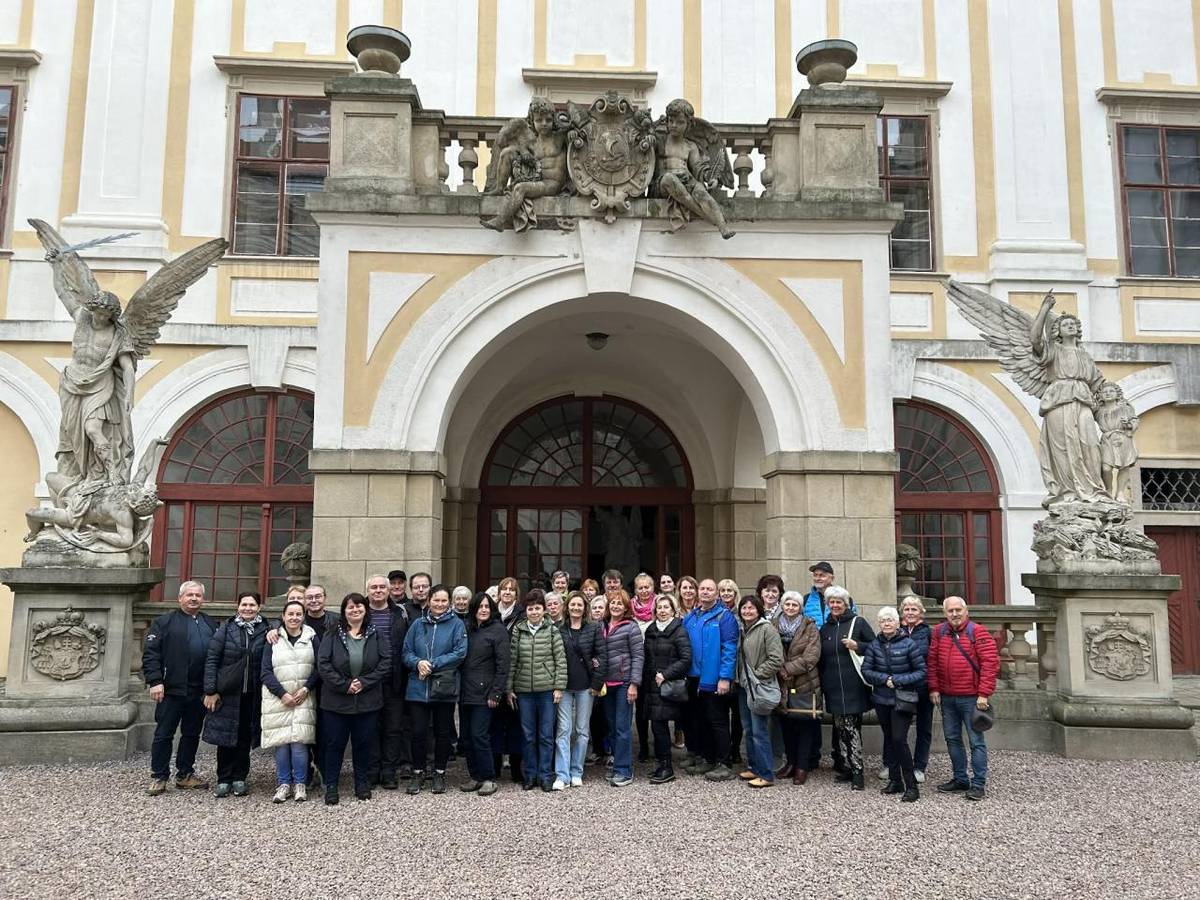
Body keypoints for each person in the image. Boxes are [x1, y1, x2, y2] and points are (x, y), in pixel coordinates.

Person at [143, 581, 217, 796]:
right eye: (189, 595)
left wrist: (212, 688)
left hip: (198, 691)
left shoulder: (210, 624)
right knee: (164, 734)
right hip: (170, 690)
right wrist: (155, 680)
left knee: (191, 734)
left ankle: (185, 774)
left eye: (198, 595)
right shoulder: (164, 622)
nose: (194, 599)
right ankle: (159, 776)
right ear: (180, 598)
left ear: (203, 599)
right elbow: (151, 654)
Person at [317, 592, 391, 804]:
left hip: (367, 701)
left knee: (363, 744)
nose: (355, 610)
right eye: (350, 607)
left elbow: (385, 663)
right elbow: (323, 664)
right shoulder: (331, 633)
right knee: (334, 744)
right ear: (344, 611)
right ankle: (331, 785)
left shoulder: (376, 634)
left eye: (359, 606)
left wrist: (364, 682)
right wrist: (344, 685)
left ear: (365, 610)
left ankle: (362, 783)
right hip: (336, 702)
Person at [928, 596, 999, 801]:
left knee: (976, 741)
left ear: (966, 611)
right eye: (950, 611)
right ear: (945, 613)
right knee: (952, 739)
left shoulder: (977, 632)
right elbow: (932, 662)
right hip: (947, 698)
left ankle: (978, 783)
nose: (955, 614)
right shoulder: (939, 632)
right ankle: (960, 778)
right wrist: (934, 688)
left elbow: (990, 664)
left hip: (972, 698)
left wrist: (984, 693)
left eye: (958, 610)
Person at [202, 591, 269, 798]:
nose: (248, 609)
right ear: (237, 606)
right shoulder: (226, 629)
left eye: (252, 605)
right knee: (225, 738)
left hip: (253, 693)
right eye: (244, 605)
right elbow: (212, 659)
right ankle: (223, 778)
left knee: (244, 737)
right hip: (229, 693)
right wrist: (211, 690)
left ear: (259, 607)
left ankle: (240, 777)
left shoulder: (267, 629)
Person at [403, 584, 468, 795]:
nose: (439, 604)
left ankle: (439, 772)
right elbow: (406, 652)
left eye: (443, 601)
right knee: (418, 732)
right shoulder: (417, 624)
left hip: (444, 687)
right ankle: (418, 771)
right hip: (418, 686)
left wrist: (432, 663)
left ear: (448, 602)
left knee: (442, 733)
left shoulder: (457, 625)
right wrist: (417, 662)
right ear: (429, 601)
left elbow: (460, 652)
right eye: (436, 600)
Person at [861, 607, 926, 802]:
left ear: (898, 623)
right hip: (881, 699)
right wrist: (885, 679)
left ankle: (911, 785)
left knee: (899, 739)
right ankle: (895, 781)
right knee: (889, 739)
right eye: (883, 621)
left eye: (890, 620)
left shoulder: (909, 644)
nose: (886, 623)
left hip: (902, 699)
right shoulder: (874, 645)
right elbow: (866, 670)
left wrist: (897, 680)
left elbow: (921, 672)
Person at [507, 589, 568, 791]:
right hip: (524, 690)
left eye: (537, 608)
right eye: (530, 609)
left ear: (544, 610)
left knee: (546, 735)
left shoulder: (552, 630)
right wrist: (509, 688)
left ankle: (545, 775)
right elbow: (512, 660)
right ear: (526, 610)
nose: (534, 612)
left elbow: (560, 660)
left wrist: (559, 687)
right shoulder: (519, 630)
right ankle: (530, 775)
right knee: (528, 735)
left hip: (547, 690)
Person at [260, 599, 319, 803]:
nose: (294, 618)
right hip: (278, 698)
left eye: (298, 614)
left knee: (299, 742)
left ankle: (300, 784)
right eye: (290, 614)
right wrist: (282, 694)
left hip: (303, 697)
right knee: (282, 743)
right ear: (283, 617)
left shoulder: (312, 637)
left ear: (303, 617)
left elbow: (320, 667)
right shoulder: (273, 639)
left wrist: (305, 688)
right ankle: (283, 783)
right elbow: (265, 671)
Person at [818, 585, 874, 790]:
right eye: (831, 602)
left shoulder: (858, 623)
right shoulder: (825, 628)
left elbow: (876, 647)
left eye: (838, 602)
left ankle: (858, 772)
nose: (834, 605)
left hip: (853, 686)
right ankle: (847, 767)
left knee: (852, 729)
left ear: (846, 604)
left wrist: (858, 646)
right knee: (840, 729)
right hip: (833, 686)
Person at [682, 578, 739, 782]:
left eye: (710, 589)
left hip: (714, 678)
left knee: (718, 721)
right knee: (700, 720)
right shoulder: (692, 616)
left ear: (716, 594)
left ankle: (724, 762)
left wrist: (725, 677)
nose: (705, 592)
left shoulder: (724, 617)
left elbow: (730, 649)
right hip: (693, 677)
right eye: (703, 588)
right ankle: (708, 757)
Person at [554, 591, 607, 789]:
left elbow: (602, 656)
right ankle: (562, 774)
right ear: (567, 607)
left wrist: (596, 684)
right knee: (563, 731)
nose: (576, 608)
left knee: (582, 731)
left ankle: (577, 771)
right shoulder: (559, 629)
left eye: (580, 605)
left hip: (586, 687)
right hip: (564, 687)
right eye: (572, 604)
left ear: (585, 608)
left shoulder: (593, 629)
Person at [460, 592, 510, 796]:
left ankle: (489, 777)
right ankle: (475, 776)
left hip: (485, 693)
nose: (483, 610)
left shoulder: (498, 631)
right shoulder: (467, 629)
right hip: (465, 692)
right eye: (479, 607)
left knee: (479, 735)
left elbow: (503, 665)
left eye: (487, 607)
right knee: (466, 737)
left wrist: (496, 693)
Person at [364, 573, 410, 789]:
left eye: (382, 587)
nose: (379, 590)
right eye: (374, 587)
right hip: (368, 681)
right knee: (371, 727)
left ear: (389, 590)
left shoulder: (400, 613)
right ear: (368, 590)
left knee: (393, 728)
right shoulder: (359, 611)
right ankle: (372, 771)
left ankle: (389, 771)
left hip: (394, 679)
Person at [734, 595, 784, 788]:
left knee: (759, 731)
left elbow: (775, 659)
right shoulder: (741, 630)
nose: (747, 611)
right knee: (748, 729)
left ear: (759, 610)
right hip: (743, 687)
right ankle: (754, 767)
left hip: (757, 686)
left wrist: (756, 675)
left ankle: (766, 773)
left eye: (751, 608)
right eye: (744, 608)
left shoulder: (767, 629)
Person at [641, 594, 692, 784]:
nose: (662, 611)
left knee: (661, 727)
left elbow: (686, 659)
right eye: (659, 608)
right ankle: (661, 764)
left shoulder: (679, 630)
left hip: (668, 685)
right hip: (652, 686)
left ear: (673, 610)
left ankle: (667, 767)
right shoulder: (651, 630)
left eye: (666, 607)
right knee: (656, 727)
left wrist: (666, 674)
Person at [774, 590, 821, 785]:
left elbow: (812, 656)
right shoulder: (773, 625)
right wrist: (780, 670)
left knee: (804, 726)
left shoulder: (809, 626)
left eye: (795, 605)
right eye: (787, 604)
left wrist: (788, 669)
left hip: (805, 682)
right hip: (782, 685)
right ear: (782, 606)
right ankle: (791, 762)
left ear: (800, 607)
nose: (791, 608)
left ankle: (802, 766)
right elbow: (770, 650)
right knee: (787, 726)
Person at [602, 591, 643, 787]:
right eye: (613, 603)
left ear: (626, 608)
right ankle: (617, 764)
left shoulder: (631, 628)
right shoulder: (601, 626)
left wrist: (634, 684)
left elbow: (638, 657)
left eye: (620, 604)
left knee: (622, 728)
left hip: (624, 683)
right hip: (606, 684)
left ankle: (624, 770)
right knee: (612, 727)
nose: (616, 606)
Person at [491, 576, 526, 784]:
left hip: (516, 675)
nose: (507, 592)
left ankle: (516, 768)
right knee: (494, 724)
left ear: (516, 594)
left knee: (515, 724)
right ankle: (494, 766)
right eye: (504, 589)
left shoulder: (521, 616)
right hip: (493, 675)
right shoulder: (491, 613)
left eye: (512, 590)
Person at [899, 596, 933, 784]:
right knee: (897, 729)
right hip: (902, 687)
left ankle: (919, 766)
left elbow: (934, 660)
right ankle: (894, 764)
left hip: (923, 686)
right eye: (906, 609)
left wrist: (933, 686)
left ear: (921, 612)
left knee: (924, 728)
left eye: (914, 609)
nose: (910, 612)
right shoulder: (896, 631)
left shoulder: (929, 633)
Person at [630, 573, 657, 760]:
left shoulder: (661, 606)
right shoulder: (629, 609)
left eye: (647, 586)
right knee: (640, 709)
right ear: (635, 590)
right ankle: (643, 746)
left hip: (656, 665)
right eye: (640, 587)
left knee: (656, 706)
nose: (644, 590)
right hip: (637, 664)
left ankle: (660, 745)